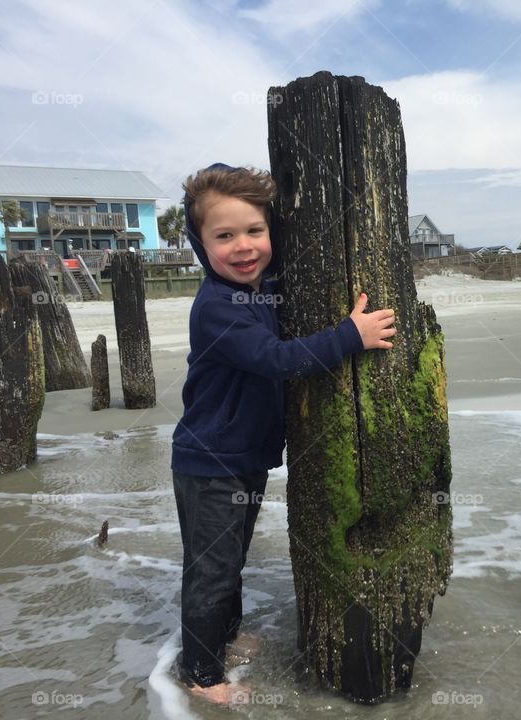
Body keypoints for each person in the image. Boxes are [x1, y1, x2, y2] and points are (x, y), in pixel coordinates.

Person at [170, 163, 396, 704]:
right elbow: (278, 360)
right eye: (224, 236)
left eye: (255, 231)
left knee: (232, 559)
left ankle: (222, 637)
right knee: (212, 569)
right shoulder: (216, 308)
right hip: (210, 461)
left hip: (242, 456)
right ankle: (200, 674)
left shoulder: (261, 290)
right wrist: (350, 334)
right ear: (201, 246)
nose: (244, 246)